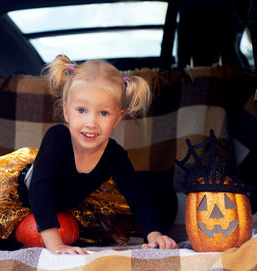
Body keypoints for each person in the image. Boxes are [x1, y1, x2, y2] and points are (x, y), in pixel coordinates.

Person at [18, 55, 178, 255]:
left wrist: (155, 234)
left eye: (103, 113)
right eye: (81, 110)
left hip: (70, 206)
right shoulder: (57, 139)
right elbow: (39, 191)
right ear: (66, 111)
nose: (91, 122)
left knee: (155, 193)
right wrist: (56, 245)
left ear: (117, 118)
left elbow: (137, 197)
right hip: (26, 200)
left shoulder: (115, 155)